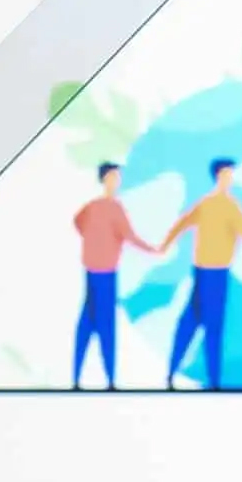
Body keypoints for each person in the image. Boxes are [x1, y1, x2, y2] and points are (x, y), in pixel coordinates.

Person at [160, 156, 242, 390]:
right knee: (209, 325)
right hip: (212, 275)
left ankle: (181, 374)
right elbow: (184, 224)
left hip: (207, 272)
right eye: (228, 173)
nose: (231, 178)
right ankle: (208, 381)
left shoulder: (219, 204)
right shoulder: (219, 204)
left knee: (193, 322)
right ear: (219, 176)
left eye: (232, 174)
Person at [71, 161, 155, 389]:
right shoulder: (109, 208)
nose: (118, 181)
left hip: (94, 270)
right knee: (103, 324)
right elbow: (129, 235)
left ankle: (81, 378)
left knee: (88, 322)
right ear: (106, 179)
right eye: (115, 177)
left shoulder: (96, 207)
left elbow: (78, 223)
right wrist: (152, 249)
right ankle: (107, 379)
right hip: (104, 273)